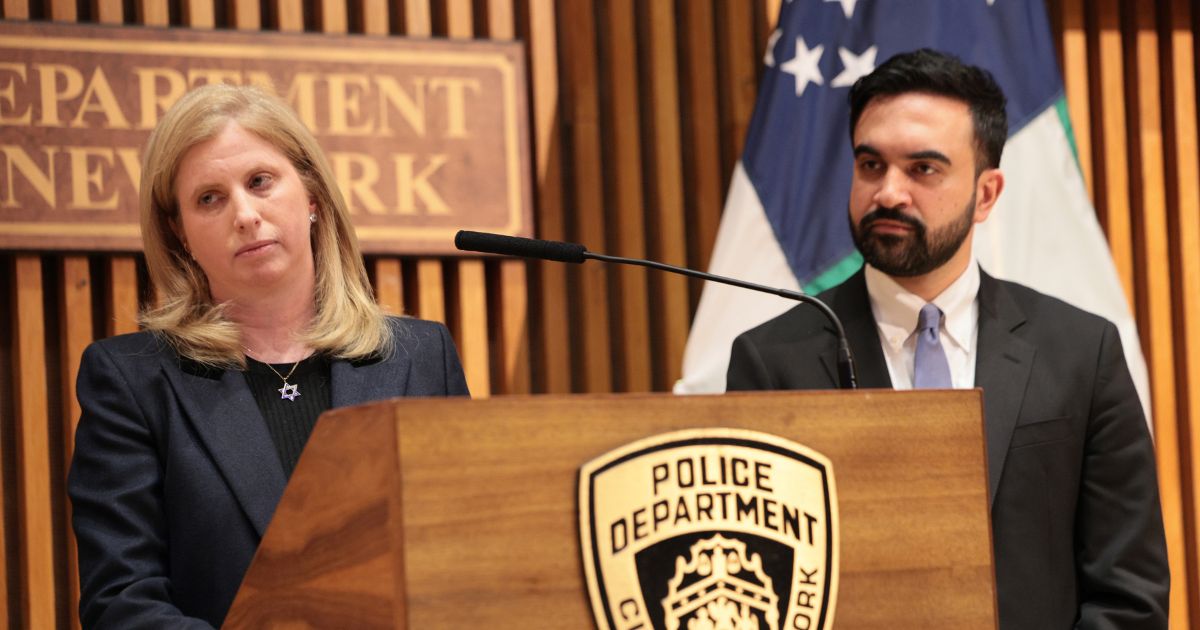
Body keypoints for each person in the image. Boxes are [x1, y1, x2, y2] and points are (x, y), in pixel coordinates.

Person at [726, 49, 1168, 629]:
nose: (889, 193)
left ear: (986, 194)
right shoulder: (771, 362)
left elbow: (1129, 595)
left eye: (923, 169)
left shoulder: (1081, 353)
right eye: (870, 165)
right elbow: (759, 592)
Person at [68, 83, 470, 629]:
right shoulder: (131, 381)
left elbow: (466, 559)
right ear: (180, 233)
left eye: (260, 182)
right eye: (209, 199)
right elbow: (121, 601)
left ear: (312, 195)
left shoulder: (419, 357)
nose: (244, 214)